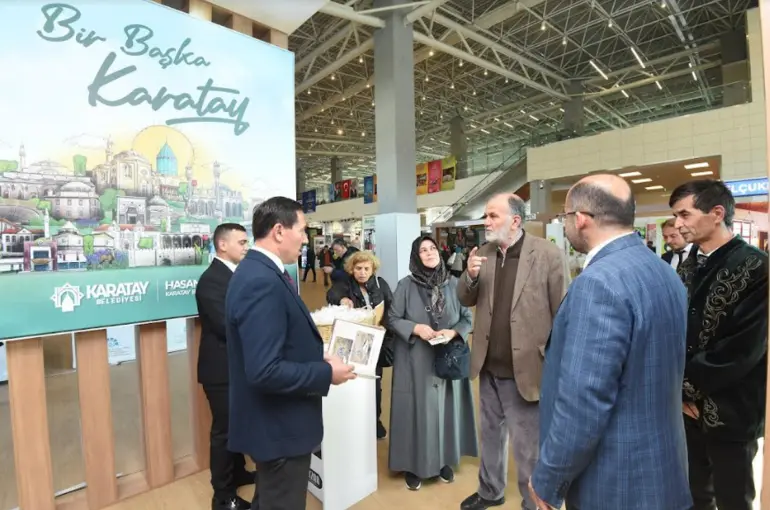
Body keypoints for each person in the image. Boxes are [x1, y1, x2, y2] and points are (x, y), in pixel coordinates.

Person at [529, 174, 691, 510]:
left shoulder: (598, 284)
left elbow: (583, 402)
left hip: (615, 479)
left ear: (581, 219)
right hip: (664, 469)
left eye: (564, 217)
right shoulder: (664, 272)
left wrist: (549, 479)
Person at [225, 197, 357, 510]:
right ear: (280, 231)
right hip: (279, 429)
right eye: (303, 230)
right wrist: (326, 373)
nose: (306, 238)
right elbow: (265, 370)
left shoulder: (261, 273)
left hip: (275, 426)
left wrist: (315, 358)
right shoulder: (260, 281)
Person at [457, 193, 566, 510]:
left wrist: (555, 366)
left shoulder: (548, 255)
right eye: (486, 216)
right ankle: (490, 490)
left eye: (493, 216)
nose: (486, 222)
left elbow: (563, 314)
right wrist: (471, 276)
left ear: (515, 220)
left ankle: (534, 503)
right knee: (490, 435)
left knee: (527, 447)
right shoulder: (484, 254)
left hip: (527, 370)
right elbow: (465, 298)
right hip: (488, 366)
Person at [670, 179, 768, 510]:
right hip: (685, 411)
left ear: (716, 213)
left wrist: (686, 386)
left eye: (684, 214)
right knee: (694, 495)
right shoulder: (686, 266)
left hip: (732, 410)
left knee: (733, 498)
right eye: (675, 216)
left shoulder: (755, 266)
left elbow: (742, 348)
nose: (677, 224)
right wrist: (679, 394)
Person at [388, 235, 478, 491]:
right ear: (416, 257)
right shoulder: (405, 285)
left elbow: (466, 317)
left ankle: (443, 460)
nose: (429, 253)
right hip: (415, 359)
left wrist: (452, 332)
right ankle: (413, 465)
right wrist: (415, 327)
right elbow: (393, 318)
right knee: (416, 411)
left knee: (445, 409)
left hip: (447, 357)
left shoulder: (454, 284)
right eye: (423, 250)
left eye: (432, 248)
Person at [196, 223, 254, 510]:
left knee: (237, 424)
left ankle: (239, 471)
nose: (246, 247)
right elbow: (226, 325)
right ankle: (223, 496)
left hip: (237, 366)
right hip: (220, 369)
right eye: (241, 242)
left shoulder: (234, 274)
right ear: (222, 245)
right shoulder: (211, 281)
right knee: (224, 432)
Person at [326, 250, 394, 440]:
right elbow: (333, 293)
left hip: (377, 340)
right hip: (354, 342)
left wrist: (388, 330)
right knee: (354, 380)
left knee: (375, 382)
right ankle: (354, 420)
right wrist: (342, 299)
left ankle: (374, 421)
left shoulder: (381, 285)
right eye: (358, 268)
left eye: (366, 268)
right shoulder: (345, 284)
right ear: (352, 269)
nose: (362, 272)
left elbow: (391, 307)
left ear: (373, 269)